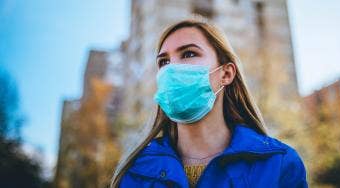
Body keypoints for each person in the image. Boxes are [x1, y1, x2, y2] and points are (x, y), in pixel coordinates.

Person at [111, 18, 308, 188]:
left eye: (188, 54)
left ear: (226, 74)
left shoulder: (278, 164)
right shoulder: (136, 171)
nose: (172, 69)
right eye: (164, 62)